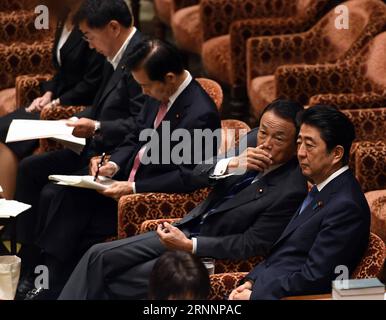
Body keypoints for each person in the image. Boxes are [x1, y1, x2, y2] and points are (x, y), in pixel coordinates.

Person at [22, 38, 221, 300]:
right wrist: (112, 163)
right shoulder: (156, 93)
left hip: (144, 198)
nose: (143, 92)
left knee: (73, 216)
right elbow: (135, 137)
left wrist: (133, 187)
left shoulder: (200, 114)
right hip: (121, 182)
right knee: (60, 194)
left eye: (146, 85)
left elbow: (188, 177)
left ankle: (48, 285)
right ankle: (43, 276)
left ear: (169, 78)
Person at [58, 99, 308, 300]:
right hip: (186, 226)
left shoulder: (291, 189)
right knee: (97, 255)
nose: (266, 143)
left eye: (279, 139)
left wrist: (191, 246)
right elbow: (198, 174)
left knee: (111, 279)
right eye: (264, 132)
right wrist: (230, 164)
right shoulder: (251, 141)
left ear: (296, 143)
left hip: (208, 252)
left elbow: (250, 244)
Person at [14, 0, 144, 299]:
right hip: (91, 144)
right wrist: (77, 120)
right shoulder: (116, 54)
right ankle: (28, 261)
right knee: (30, 170)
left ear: (113, 28)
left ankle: (49, 279)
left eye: (89, 36)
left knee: (53, 193)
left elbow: (142, 124)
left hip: (112, 154)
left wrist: (97, 126)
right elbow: (103, 107)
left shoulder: (141, 57)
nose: (89, 44)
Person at [229, 105, 370, 300]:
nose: (301, 153)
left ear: (336, 154)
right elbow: (285, 253)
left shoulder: (346, 206)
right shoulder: (321, 188)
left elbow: (316, 278)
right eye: (299, 143)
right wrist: (251, 280)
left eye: (310, 145)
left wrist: (255, 295)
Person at [0, 0, 105, 199]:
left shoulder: (92, 22)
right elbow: (61, 70)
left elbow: (92, 83)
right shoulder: (64, 16)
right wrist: (48, 93)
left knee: (8, 131)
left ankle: (6, 208)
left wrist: (57, 102)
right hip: (58, 99)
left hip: (75, 106)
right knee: (3, 126)